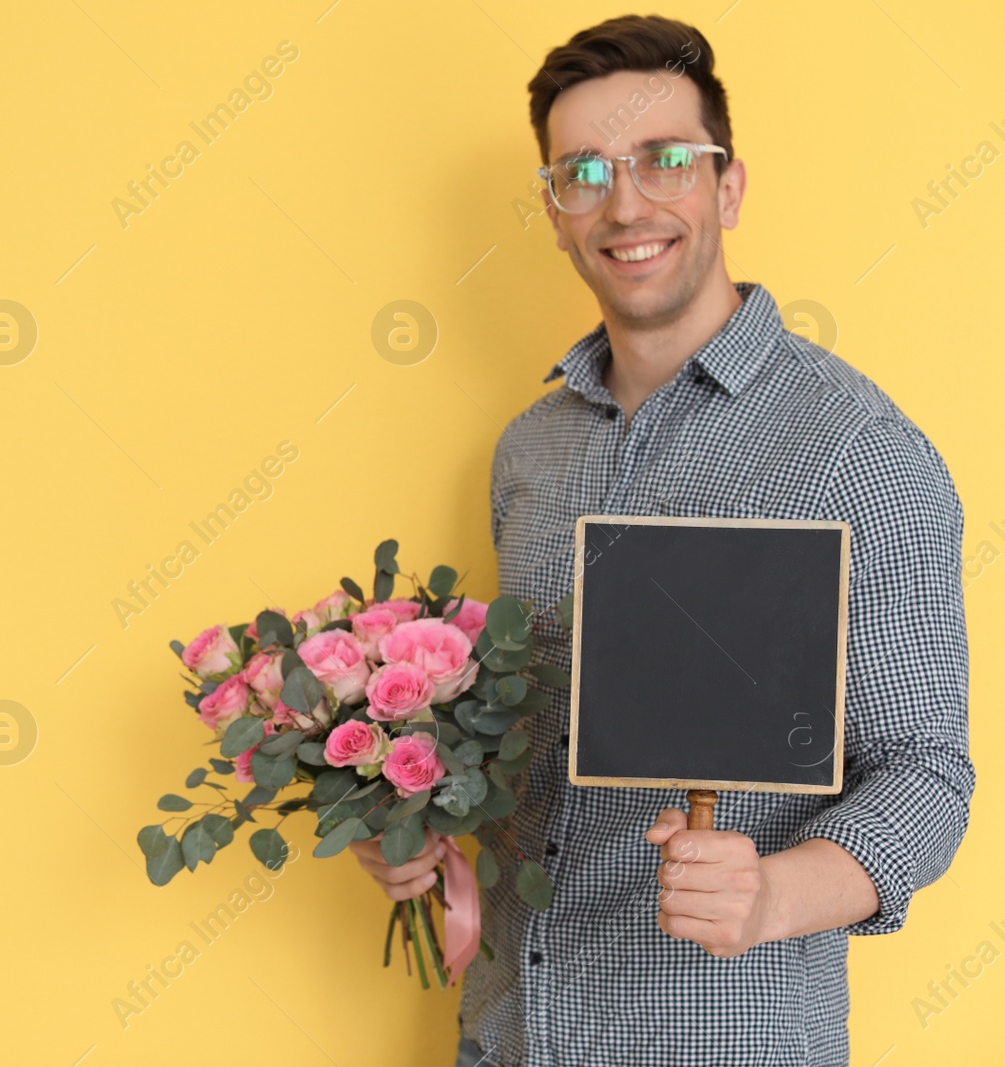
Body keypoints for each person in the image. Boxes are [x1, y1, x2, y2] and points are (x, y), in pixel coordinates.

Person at [349, 14, 973, 1066]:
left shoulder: (857, 451)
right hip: (511, 1034)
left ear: (726, 187)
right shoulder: (528, 454)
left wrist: (772, 891)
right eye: (582, 172)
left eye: (664, 161)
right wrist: (418, 826)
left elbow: (927, 775)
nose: (625, 203)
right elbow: (534, 753)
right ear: (553, 212)